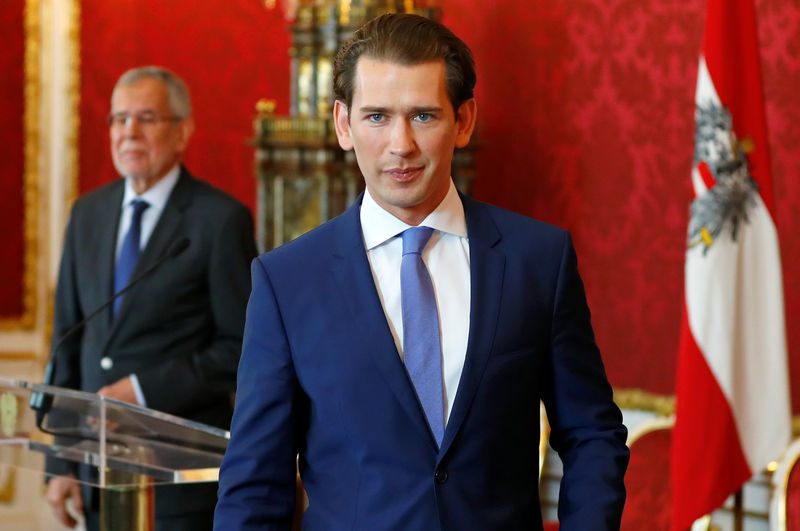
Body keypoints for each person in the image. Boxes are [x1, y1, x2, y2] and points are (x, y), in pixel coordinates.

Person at [215, 13, 629, 530]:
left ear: (464, 121)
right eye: (377, 117)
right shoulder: (286, 281)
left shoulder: (538, 260)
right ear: (343, 124)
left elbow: (592, 434)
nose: (400, 145)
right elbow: (254, 483)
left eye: (423, 116)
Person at [45, 66, 257, 530]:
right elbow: (69, 340)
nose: (129, 133)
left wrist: (141, 391)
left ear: (182, 131)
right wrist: (62, 462)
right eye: (119, 119)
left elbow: (240, 348)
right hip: (98, 474)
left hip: (178, 483)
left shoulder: (220, 221)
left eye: (146, 118)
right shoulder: (88, 213)